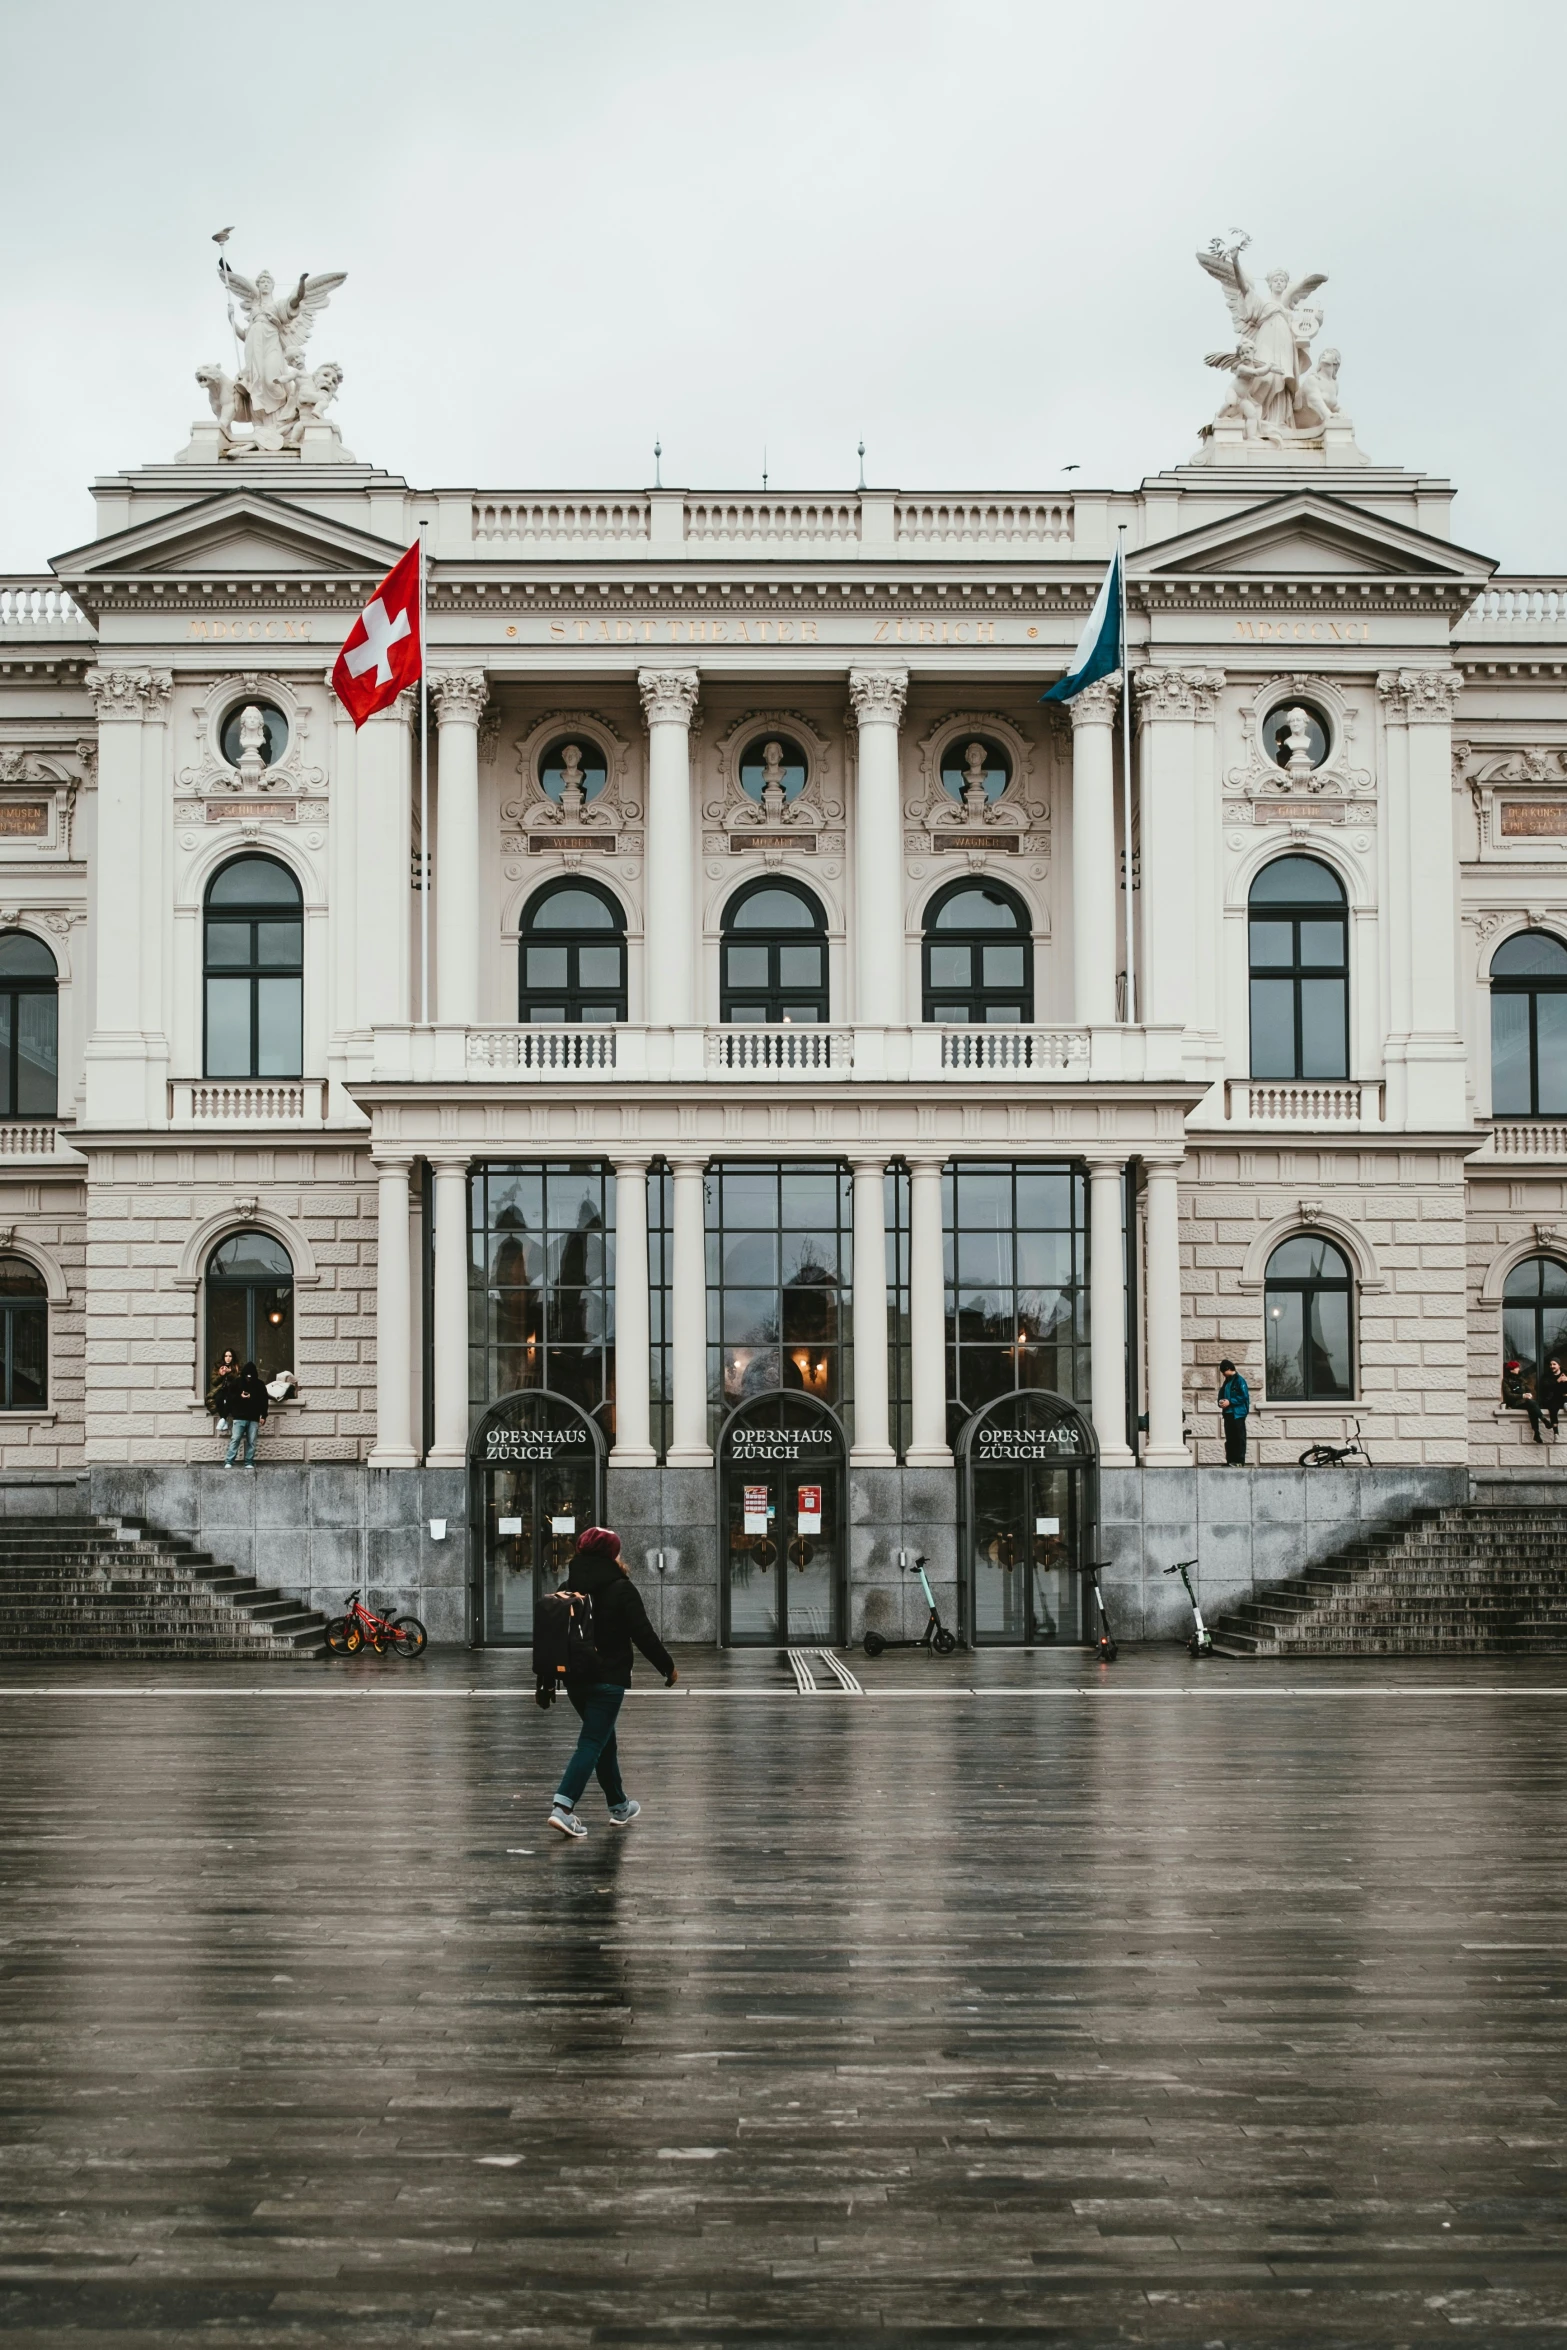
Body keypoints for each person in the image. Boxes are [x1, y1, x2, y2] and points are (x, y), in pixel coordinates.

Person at [549, 1526, 677, 1840]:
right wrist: (668, 1668)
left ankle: (619, 1806)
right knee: (592, 1743)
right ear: (610, 1554)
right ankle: (562, 1808)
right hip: (608, 1680)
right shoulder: (621, 1588)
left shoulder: (568, 1586)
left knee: (604, 1740)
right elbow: (643, 1634)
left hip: (576, 1680)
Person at [219, 1359, 270, 1466]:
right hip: (239, 1417)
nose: (248, 1377)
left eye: (250, 1375)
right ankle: (229, 1461)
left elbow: (264, 1401)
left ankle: (249, 1461)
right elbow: (229, 1398)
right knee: (235, 1439)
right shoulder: (237, 1382)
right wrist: (239, 1397)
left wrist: (263, 1415)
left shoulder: (259, 1384)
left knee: (251, 1442)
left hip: (254, 1417)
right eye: (247, 1375)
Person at [1502, 1355, 1544, 1443]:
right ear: (1511, 1370)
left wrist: (1529, 1394)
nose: (1518, 1369)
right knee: (1532, 1405)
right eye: (1517, 1368)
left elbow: (1528, 1388)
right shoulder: (1506, 1380)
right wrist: (1522, 1396)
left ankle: (1536, 1433)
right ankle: (1543, 1419)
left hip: (1525, 1402)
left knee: (1532, 1407)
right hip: (1515, 1404)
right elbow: (1509, 1395)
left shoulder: (1521, 1379)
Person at [1217, 1358, 1250, 1466]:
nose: (1223, 1375)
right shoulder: (1227, 1382)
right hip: (1228, 1413)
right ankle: (1230, 1460)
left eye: (1223, 1372)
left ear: (1228, 1369)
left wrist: (1230, 1402)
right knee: (1230, 1438)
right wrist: (1221, 1402)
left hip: (1238, 1414)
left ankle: (1239, 1461)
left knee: (1239, 1438)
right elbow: (1222, 1394)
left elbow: (1244, 1396)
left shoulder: (1240, 1380)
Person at [206, 1347, 238, 1433]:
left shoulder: (237, 1367)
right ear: (223, 1357)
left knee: (229, 1400)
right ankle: (224, 1420)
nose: (228, 1358)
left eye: (230, 1356)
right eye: (226, 1356)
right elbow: (213, 1382)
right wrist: (221, 1375)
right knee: (218, 1399)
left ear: (233, 1357)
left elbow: (239, 1380)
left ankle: (223, 1419)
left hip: (233, 1390)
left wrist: (230, 1373)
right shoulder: (218, 1367)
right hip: (221, 1389)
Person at [1538, 1354, 1567, 1438]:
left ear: (1559, 1365)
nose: (1552, 1366)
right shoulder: (1547, 1376)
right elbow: (1546, 1388)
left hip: (1564, 1397)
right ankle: (1556, 1433)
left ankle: (1566, 1402)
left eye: (1554, 1364)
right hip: (1552, 1399)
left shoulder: (1565, 1373)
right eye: (1551, 1364)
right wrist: (1557, 1381)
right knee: (1553, 1409)